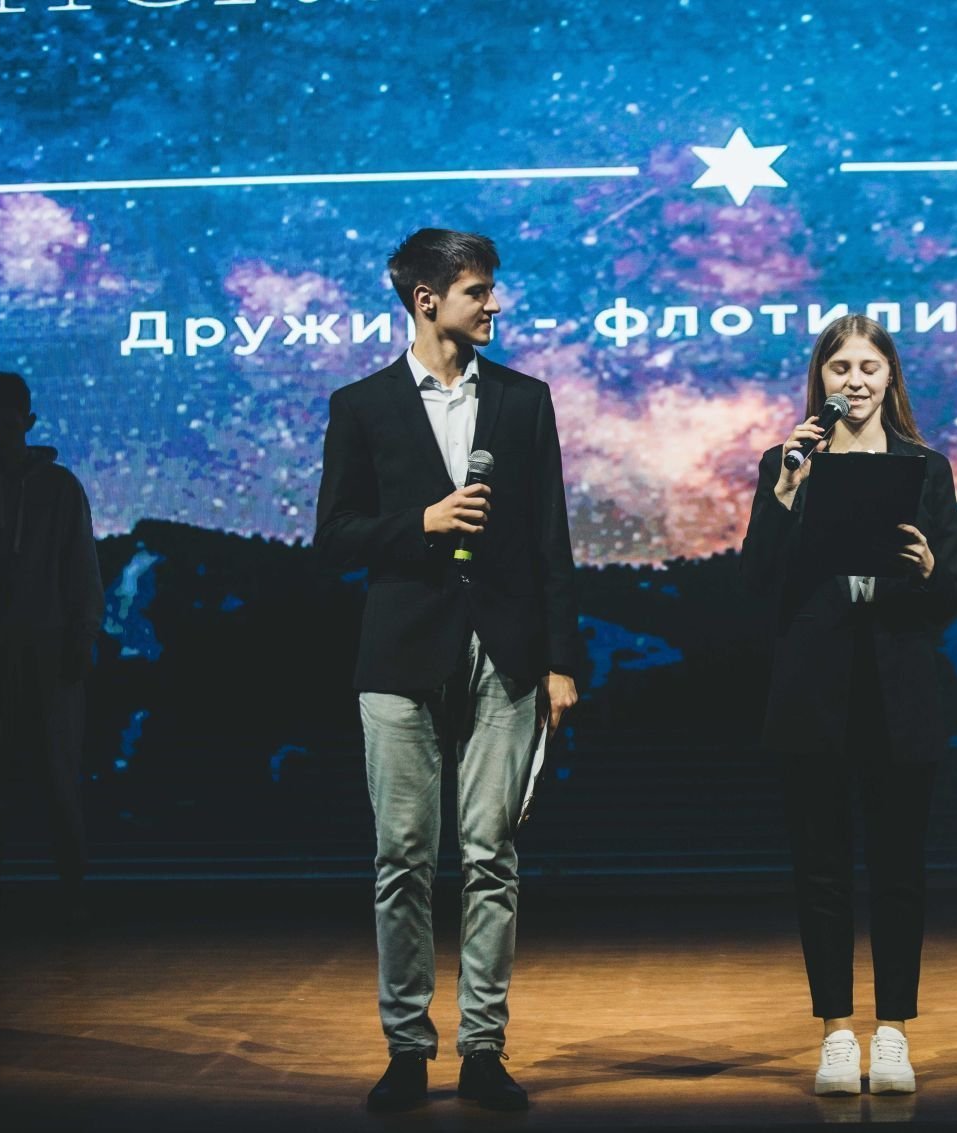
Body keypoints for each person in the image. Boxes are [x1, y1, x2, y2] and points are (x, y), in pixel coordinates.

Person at [315, 228, 582, 1113]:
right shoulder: (362, 405)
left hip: (505, 651)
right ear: (428, 302)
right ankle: (406, 1047)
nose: (494, 303)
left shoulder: (523, 399)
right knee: (401, 856)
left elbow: (551, 537)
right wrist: (421, 523)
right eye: (477, 291)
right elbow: (334, 534)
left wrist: (560, 660)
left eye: (491, 289)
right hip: (400, 652)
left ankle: (483, 1047)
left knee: (490, 854)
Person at [740, 314, 957, 1096]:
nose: (856, 380)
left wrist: (929, 571)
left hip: (898, 689)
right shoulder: (788, 463)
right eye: (841, 368)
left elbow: (952, 594)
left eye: (870, 366)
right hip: (816, 692)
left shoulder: (925, 467)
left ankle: (892, 1029)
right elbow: (755, 582)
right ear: (821, 380)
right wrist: (784, 493)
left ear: (890, 377)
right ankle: (837, 1031)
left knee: (899, 869)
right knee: (823, 869)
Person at [0, 371, 102, 924]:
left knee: (57, 775)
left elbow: (81, 570)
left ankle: (70, 893)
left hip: (48, 655)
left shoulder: (59, 489)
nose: (1, 427)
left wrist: (80, 639)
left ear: (27, 420)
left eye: (8, 417)